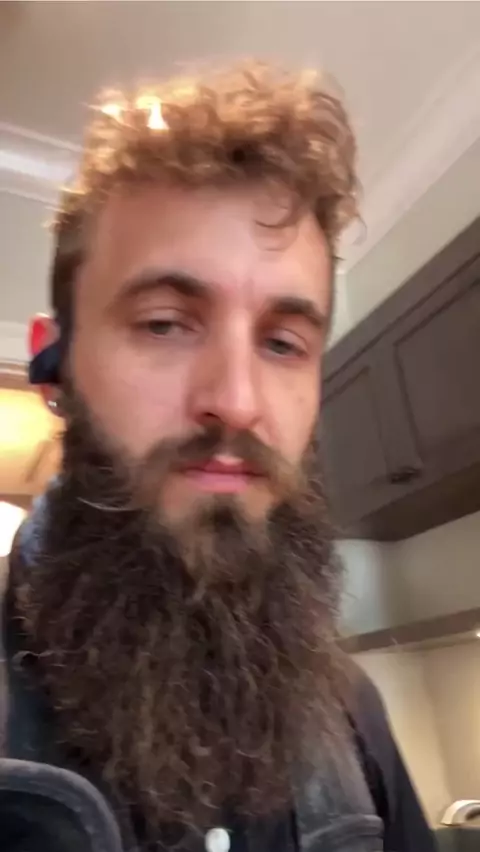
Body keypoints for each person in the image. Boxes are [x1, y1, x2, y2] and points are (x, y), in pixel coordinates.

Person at [0, 62, 437, 852]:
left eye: (283, 342)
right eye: (165, 323)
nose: (237, 400)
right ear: (53, 362)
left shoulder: (351, 718)